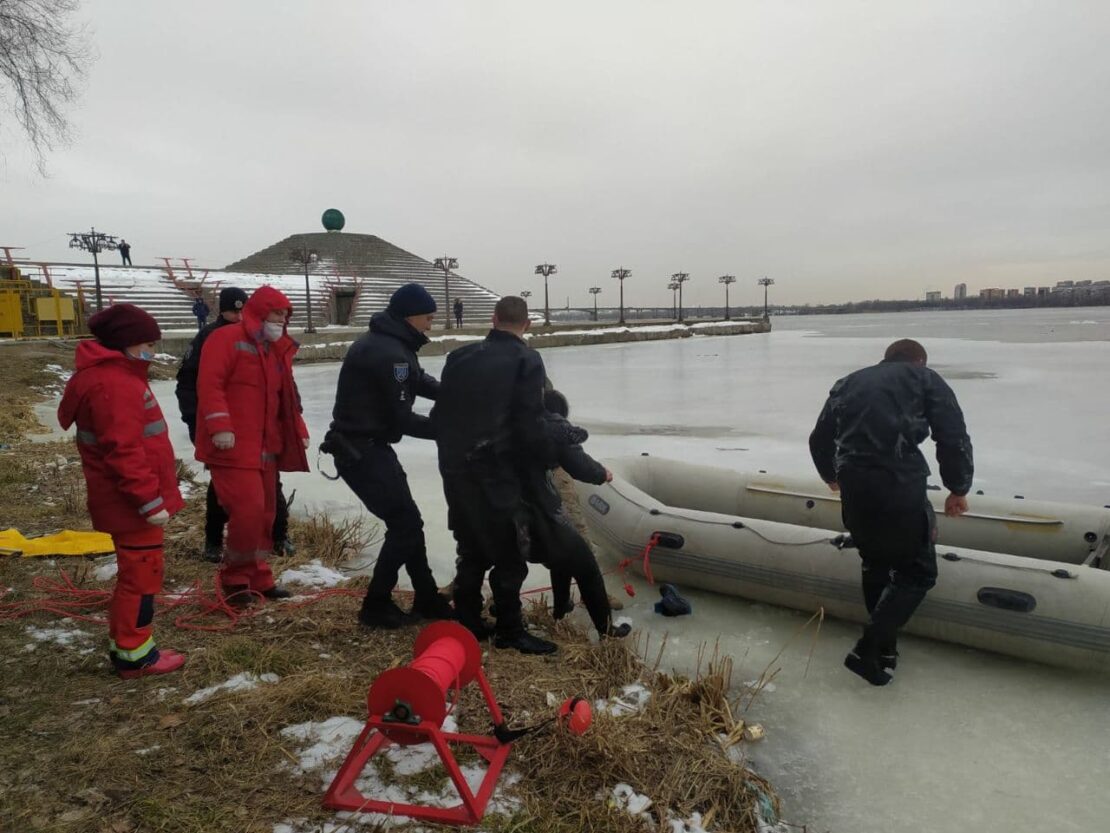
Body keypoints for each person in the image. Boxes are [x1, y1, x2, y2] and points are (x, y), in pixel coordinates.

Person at [809, 338, 973, 686]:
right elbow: (952, 435)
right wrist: (958, 488)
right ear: (920, 361)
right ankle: (867, 649)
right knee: (918, 573)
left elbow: (818, 439)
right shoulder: (924, 379)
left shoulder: (849, 382)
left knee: (876, 563)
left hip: (855, 483)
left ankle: (885, 650)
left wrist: (831, 476)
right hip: (898, 483)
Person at [58, 304, 186, 678]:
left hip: (125, 501)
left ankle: (127, 645)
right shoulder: (114, 383)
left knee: (138, 574)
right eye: (148, 343)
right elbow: (124, 450)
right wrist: (148, 499)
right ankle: (135, 656)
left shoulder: (109, 376)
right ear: (127, 343)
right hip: (131, 504)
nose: (152, 351)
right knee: (142, 577)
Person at [432, 295, 558, 655]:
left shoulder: (458, 357)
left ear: (493, 318)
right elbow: (529, 422)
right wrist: (548, 458)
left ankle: (468, 619)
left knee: (470, 546)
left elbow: (443, 414)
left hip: (455, 469)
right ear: (527, 325)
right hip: (495, 471)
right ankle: (509, 629)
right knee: (508, 554)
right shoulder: (526, 359)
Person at [323, 282, 453, 629]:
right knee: (406, 524)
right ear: (412, 316)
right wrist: (450, 429)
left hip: (366, 448)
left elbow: (418, 380)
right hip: (362, 452)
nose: (430, 324)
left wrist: (456, 394)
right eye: (428, 317)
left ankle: (425, 597)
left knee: (408, 523)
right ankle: (376, 605)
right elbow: (402, 418)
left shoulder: (391, 344)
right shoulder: (391, 352)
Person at [195, 285, 310, 604]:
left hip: (266, 446)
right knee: (246, 512)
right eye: (277, 313)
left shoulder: (275, 349)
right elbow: (210, 383)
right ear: (260, 312)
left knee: (265, 516)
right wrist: (219, 425)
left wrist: (297, 428)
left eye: (285, 316)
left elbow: (284, 397)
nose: (282, 320)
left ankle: (258, 576)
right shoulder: (225, 339)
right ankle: (234, 579)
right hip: (232, 447)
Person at [175, 287, 295, 562]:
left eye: (243, 310)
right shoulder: (213, 337)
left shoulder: (268, 343)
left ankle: (276, 539)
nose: (239, 316)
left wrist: (293, 427)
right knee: (227, 494)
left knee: (267, 495)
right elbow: (197, 385)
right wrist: (207, 425)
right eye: (234, 311)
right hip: (221, 433)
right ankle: (215, 542)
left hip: (259, 438)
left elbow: (284, 391)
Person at [533, 388, 630, 640]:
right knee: (585, 563)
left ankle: (561, 607)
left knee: (560, 554)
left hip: (506, 506)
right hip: (536, 506)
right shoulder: (552, 426)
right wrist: (602, 473)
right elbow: (578, 463)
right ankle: (606, 630)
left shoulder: (516, 423)